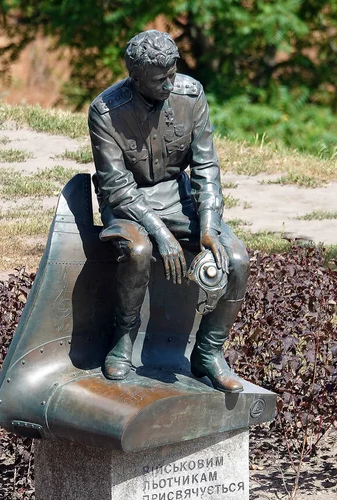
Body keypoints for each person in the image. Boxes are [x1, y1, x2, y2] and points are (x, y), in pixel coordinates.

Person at [88, 30, 250, 392]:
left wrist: (208, 224)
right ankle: (124, 338)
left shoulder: (191, 96)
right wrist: (160, 234)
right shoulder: (105, 111)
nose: (169, 84)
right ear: (135, 76)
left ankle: (209, 352)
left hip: (178, 200)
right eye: (159, 79)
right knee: (139, 251)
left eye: (172, 73)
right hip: (127, 204)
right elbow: (116, 186)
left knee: (236, 258)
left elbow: (206, 169)